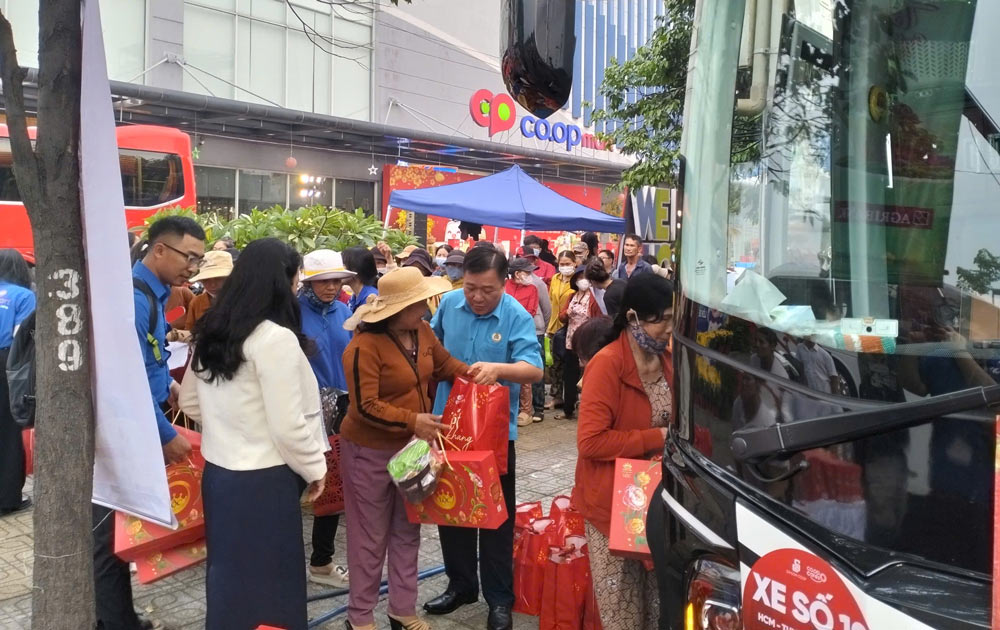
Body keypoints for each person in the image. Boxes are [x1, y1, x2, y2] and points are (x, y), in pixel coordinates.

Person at [179, 238, 327, 630]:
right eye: (296, 279)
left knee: (228, 577)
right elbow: (288, 424)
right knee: (272, 584)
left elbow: (192, 404)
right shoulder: (274, 339)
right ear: (281, 282)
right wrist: (316, 468)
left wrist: (230, 424)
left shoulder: (211, 330)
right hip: (266, 480)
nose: (298, 287)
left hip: (220, 476)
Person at [340, 266, 468, 630]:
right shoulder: (363, 347)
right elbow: (364, 406)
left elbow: (444, 364)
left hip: (413, 451)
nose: (425, 310)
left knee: (407, 529)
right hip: (370, 451)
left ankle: (402, 609)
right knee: (368, 537)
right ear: (395, 311)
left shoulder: (422, 331)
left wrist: (475, 374)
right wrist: (414, 421)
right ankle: (360, 617)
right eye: (417, 305)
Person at [424, 247, 544, 630]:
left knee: (495, 519)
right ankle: (461, 586)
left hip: (494, 436)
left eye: (487, 290)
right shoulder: (450, 304)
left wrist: (498, 368)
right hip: (448, 429)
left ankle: (499, 599)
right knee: (452, 510)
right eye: (471, 288)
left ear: (504, 282)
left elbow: (534, 369)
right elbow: (430, 349)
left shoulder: (515, 315)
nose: (476, 297)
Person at [94, 216, 203, 630]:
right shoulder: (135, 298)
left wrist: (168, 389)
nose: (192, 268)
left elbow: (148, 361)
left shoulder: (153, 294)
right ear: (159, 249)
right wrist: (165, 433)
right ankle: (114, 621)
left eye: (198, 258)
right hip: (129, 431)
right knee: (109, 536)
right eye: (187, 257)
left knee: (118, 529)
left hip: (143, 419)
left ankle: (116, 616)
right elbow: (125, 378)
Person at [573, 273, 674, 630]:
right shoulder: (607, 364)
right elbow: (591, 442)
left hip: (656, 502)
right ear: (633, 317)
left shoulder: (667, 360)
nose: (667, 328)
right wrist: (655, 437)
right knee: (623, 610)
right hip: (611, 506)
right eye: (661, 318)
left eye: (672, 318)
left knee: (658, 603)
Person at [299, 249, 356, 588]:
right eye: (322, 281)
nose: (331, 287)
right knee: (294, 484)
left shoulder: (346, 312)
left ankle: (321, 562)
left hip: (341, 409)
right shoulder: (292, 314)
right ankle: (282, 562)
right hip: (303, 410)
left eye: (336, 280)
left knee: (331, 484)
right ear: (309, 282)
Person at [0, 250, 34, 516]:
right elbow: (23, 338)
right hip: (8, 364)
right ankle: (8, 498)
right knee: (10, 431)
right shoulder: (24, 296)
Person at [505, 258, 548, 426]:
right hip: (505, 332)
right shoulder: (505, 286)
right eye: (528, 272)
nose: (531, 275)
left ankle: (525, 410)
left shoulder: (533, 288)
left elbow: (530, 311)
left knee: (525, 370)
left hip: (524, 332)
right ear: (517, 273)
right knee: (507, 369)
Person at [557, 267, 601, 420]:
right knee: (569, 376)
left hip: (587, 342)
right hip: (570, 341)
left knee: (589, 377)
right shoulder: (572, 296)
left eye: (585, 278)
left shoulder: (594, 298)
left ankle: (588, 409)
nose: (582, 281)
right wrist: (565, 314)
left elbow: (598, 319)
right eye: (579, 278)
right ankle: (568, 408)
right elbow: (561, 316)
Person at [545, 251, 577, 411]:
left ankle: (571, 397)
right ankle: (556, 396)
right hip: (553, 326)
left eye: (567, 263)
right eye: (562, 264)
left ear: (574, 263)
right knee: (554, 364)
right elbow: (551, 300)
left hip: (571, 328)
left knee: (570, 365)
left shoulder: (578, 280)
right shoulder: (555, 279)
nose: (565, 267)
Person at [182, 250, 233, 330]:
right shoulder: (197, 303)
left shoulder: (241, 300)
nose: (212, 284)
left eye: (218, 279)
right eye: (206, 280)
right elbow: (189, 331)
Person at [343, 247, 380, 313]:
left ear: (355, 269)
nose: (339, 270)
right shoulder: (355, 296)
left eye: (343, 265)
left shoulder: (370, 298)